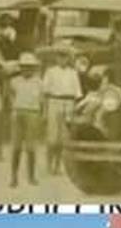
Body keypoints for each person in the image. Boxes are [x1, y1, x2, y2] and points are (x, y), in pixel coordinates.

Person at [42, 47, 82, 175]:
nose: (62, 59)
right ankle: (48, 165)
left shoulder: (73, 73)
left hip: (68, 103)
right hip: (54, 102)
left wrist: (74, 110)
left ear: (68, 59)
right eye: (60, 56)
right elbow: (45, 93)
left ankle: (57, 166)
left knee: (63, 139)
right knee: (52, 138)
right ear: (56, 58)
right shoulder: (51, 72)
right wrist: (44, 111)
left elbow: (76, 94)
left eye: (65, 57)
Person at [10, 52, 44, 187]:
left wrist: (41, 115)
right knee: (16, 147)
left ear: (34, 68)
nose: (27, 70)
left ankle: (31, 176)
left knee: (31, 148)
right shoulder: (14, 81)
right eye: (24, 67)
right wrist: (14, 110)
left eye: (30, 67)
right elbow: (11, 97)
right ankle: (14, 177)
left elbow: (42, 101)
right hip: (18, 113)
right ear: (21, 67)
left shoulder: (39, 83)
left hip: (33, 113)